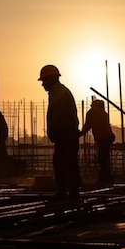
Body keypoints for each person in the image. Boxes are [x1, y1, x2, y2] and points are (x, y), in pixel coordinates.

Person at [38, 64, 81, 202]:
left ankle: (64, 191)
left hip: (65, 134)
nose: (43, 84)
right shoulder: (60, 91)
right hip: (69, 133)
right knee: (70, 162)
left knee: (61, 162)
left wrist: (54, 130)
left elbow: (58, 115)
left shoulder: (58, 92)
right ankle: (73, 190)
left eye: (44, 81)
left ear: (51, 79)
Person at [79, 99, 115, 184]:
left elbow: (87, 126)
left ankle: (104, 179)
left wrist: (79, 134)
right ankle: (107, 179)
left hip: (102, 138)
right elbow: (106, 126)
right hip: (107, 137)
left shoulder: (91, 113)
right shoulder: (103, 113)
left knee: (102, 159)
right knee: (104, 159)